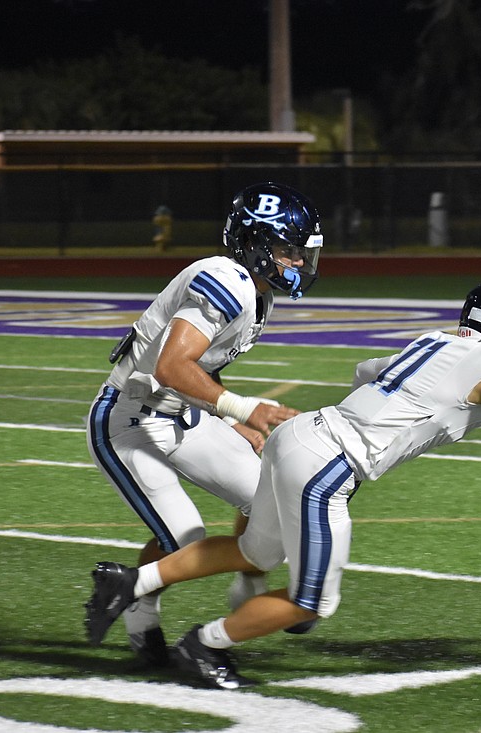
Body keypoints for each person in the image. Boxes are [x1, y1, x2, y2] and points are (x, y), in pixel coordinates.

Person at [85, 278, 481, 689]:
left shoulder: (439, 340)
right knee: (311, 602)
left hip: (302, 437)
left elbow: (368, 368)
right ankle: (207, 645)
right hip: (329, 463)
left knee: (255, 551)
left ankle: (133, 581)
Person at [85, 181, 324, 666]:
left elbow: (201, 369)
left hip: (182, 417)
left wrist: (227, 417)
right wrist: (244, 409)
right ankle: (140, 612)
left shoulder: (256, 294)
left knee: (277, 498)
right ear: (256, 245)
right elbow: (172, 366)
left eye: (302, 252)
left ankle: (249, 582)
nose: (298, 261)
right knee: (186, 537)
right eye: (287, 250)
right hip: (128, 421)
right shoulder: (225, 278)